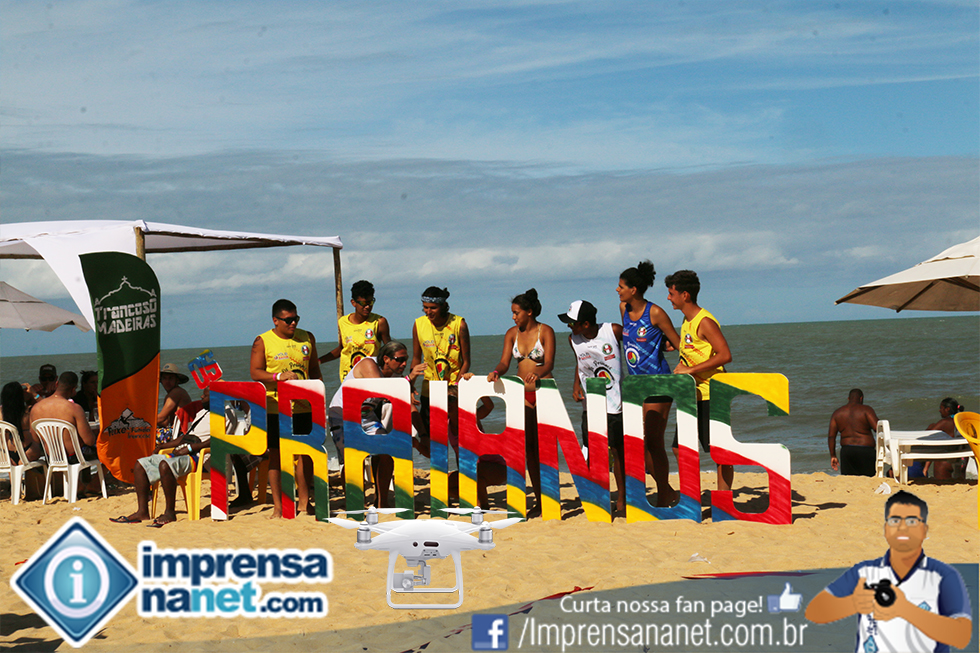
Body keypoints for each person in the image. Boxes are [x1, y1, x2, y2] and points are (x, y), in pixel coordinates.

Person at [805, 490, 972, 652]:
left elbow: (962, 636)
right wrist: (853, 603)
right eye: (895, 520)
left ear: (924, 530)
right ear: (886, 529)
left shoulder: (943, 576)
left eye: (912, 521)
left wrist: (905, 610)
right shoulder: (865, 572)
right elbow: (814, 612)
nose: (902, 527)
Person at [327, 340, 427, 507]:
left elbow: (409, 407)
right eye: (400, 360)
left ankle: (381, 502)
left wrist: (423, 435)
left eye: (406, 359)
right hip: (343, 415)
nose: (404, 364)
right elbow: (381, 390)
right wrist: (409, 379)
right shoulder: (368, 364)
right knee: (352, 460)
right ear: (386, 359)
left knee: (385, 454)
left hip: (367, 417)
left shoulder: (395, 377)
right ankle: (353, 502)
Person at [250, 298, 322, 519]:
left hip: (304, 406)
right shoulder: (263, 341)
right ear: (276, 320)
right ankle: (279, 507)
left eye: (296, 319)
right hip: (276, 407)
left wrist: (319, 399)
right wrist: (278, 376)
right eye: (288, 320)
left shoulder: (307, 338)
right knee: (276, 456)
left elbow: (314, 370)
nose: (293, 323)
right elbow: (255, 372)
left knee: (305, 454)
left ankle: (304, 503)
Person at [618, 260, 681, 507]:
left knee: (653, 442)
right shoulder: (623, 308)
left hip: (658, 383)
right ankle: (666, 490)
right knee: (638, 444)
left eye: (621, 286)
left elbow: (678, 343)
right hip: (635, 387)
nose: (617, 290)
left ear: (633, 289)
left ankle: (664, 493)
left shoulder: (655, 312)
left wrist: (669, 351)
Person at [487, 288, 556, 511]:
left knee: (545, 449)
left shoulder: (546, 331)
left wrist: (538, 373)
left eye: (516, 312)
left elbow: (549, 363)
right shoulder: (511, 334)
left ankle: (550, 497)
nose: (513, 317)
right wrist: (496, 372)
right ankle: (539, 499)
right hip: (521, 396)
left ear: (529, 312)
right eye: (513, 313)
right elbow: (505, 362)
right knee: (529, 450)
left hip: (544, 393)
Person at [665, 270, 734, 492]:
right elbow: (693, 348)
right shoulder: (687, 320)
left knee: (719, 451)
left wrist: (690, 370)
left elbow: (725, 355)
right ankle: (691, 494)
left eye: (671, 293)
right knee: (678, 447)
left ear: (685, 295)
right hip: (691, 395)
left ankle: (723, 498)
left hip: (711, 394)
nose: (668, 298)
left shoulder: (704, 321)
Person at [560, 300, 628, 515]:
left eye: (573, 323)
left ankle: (622, 497)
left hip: (615, 404)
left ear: (586, 324)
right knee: (594, 450)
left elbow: (635, 346)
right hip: (591, 405)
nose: (569, 326)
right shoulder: (573, 339)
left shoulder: (612, 330)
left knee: (617, 452)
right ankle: (599, 496)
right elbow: (580, 364)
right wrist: (576, 385)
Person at [110, 398, 211, 525]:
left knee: (165, 465)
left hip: (201, 457)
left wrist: (191, 448)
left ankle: (170, 512)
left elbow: (219, 440)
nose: (201, 397)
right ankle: (142, 511)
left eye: (205, 394)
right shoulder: (203, 413)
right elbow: (186, 438)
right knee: (141, 464)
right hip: (186, 452)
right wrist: (163, 446)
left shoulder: (226, 414)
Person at [411, 286, 471, 446]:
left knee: (461, 440)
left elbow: (466, 361)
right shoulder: (418, 324)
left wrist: (456, 386)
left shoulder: (459, 324)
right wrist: (410, 385)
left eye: (433, 308)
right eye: (425, 307)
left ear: (443, 306)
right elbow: (416, 358)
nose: (428, 312)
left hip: (454, 389)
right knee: (433, 441)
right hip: (430, 389)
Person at [29, 372, 99, 494]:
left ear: (56, 384)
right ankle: (94, 484)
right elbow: (89, 440)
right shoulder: (74, 408)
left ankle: (79, 484)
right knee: (109, 450)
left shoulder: (36, 408)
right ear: (74, 389)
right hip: (74, 457)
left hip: (52, 457)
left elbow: (35, 439)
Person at [318, 279, 392, 380]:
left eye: (370, 302)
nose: (367, 307)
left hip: (370, 377)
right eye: (363, 303)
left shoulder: (379, 322)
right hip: (348, 378)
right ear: (353, 303)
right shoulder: (343, 322)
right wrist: (319, 361)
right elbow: (342, 348)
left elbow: (390, 351)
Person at [828, 389, 879, 476]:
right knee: (868, 477)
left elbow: (831, 437)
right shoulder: (866, 410)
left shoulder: (837, 413)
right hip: (866, 450)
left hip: (847, 451)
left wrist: (833, 456)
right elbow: (877, 428)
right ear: (861, 398)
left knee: (848, 478)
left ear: (848, 399)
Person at [918, 397, 966, 480]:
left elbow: (928, 438)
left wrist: (931, 427)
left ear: (947, 409)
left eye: (941, 408)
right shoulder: (963, 421)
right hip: (962, 460)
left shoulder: (944, 423)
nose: (939, 410)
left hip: (945, 461)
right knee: (959, 482)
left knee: (943, 483)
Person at [2, 380, 40, 463]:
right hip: (28, 449)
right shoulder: (29, 412)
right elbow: (45, 406)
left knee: (16, 470)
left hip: (7, 452)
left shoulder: (1, 413)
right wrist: (34, 394)